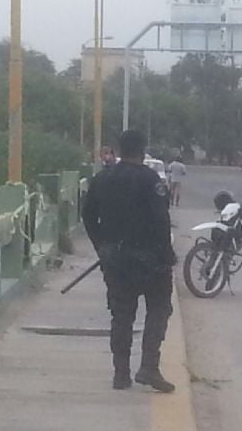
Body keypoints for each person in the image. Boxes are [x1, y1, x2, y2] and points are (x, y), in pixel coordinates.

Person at [82, 130, 177, 393]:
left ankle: (120, 374)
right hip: (150, 260)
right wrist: (167, 254)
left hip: (115, 259)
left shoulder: (102, 179)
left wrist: (101, 246)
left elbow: (88, 215)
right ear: (142, 150)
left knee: (121, 315)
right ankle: (148, 367)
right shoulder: (150, 180)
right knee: (158, 309)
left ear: (120, 150)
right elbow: (161, 220)